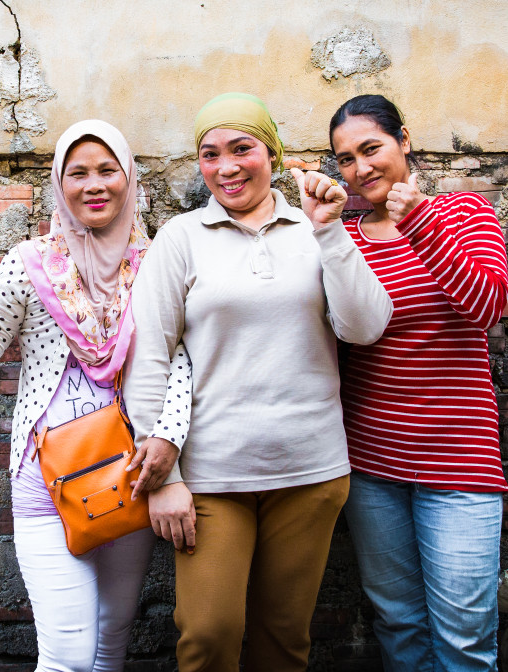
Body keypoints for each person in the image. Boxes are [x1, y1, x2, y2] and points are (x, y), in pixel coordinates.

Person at [124, 92, 392, 672]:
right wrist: (163, 477)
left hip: (311, 471)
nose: (227, 167)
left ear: (272, 153)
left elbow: (366, 326)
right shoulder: (181, 237)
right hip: (211, 476)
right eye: (210, 154)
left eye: (242, 148)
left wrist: (329, 232)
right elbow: (148, 358)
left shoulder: (316, 228)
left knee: (284, 642)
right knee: (208, 636)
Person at [0, 119, 193, 672]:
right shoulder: (29, 263)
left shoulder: (156, 264)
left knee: (112, 640)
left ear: (129, 178)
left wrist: (168, 439)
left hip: (130, 473)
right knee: (70, 656)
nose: (94, 185)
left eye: (108, 170)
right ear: (60, 185)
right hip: (47, 481)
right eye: (78, 173)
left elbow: (180, 359)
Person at [329, 94, 508, 672]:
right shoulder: (345, 238)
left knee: (465, 639)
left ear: (403, 140)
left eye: (371, 148)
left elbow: (487, 306)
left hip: (460, 464)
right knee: (399, 627)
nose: (361, 168)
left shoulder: (464, 212)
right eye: (346, 159)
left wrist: (421, 222)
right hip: (372, 466)